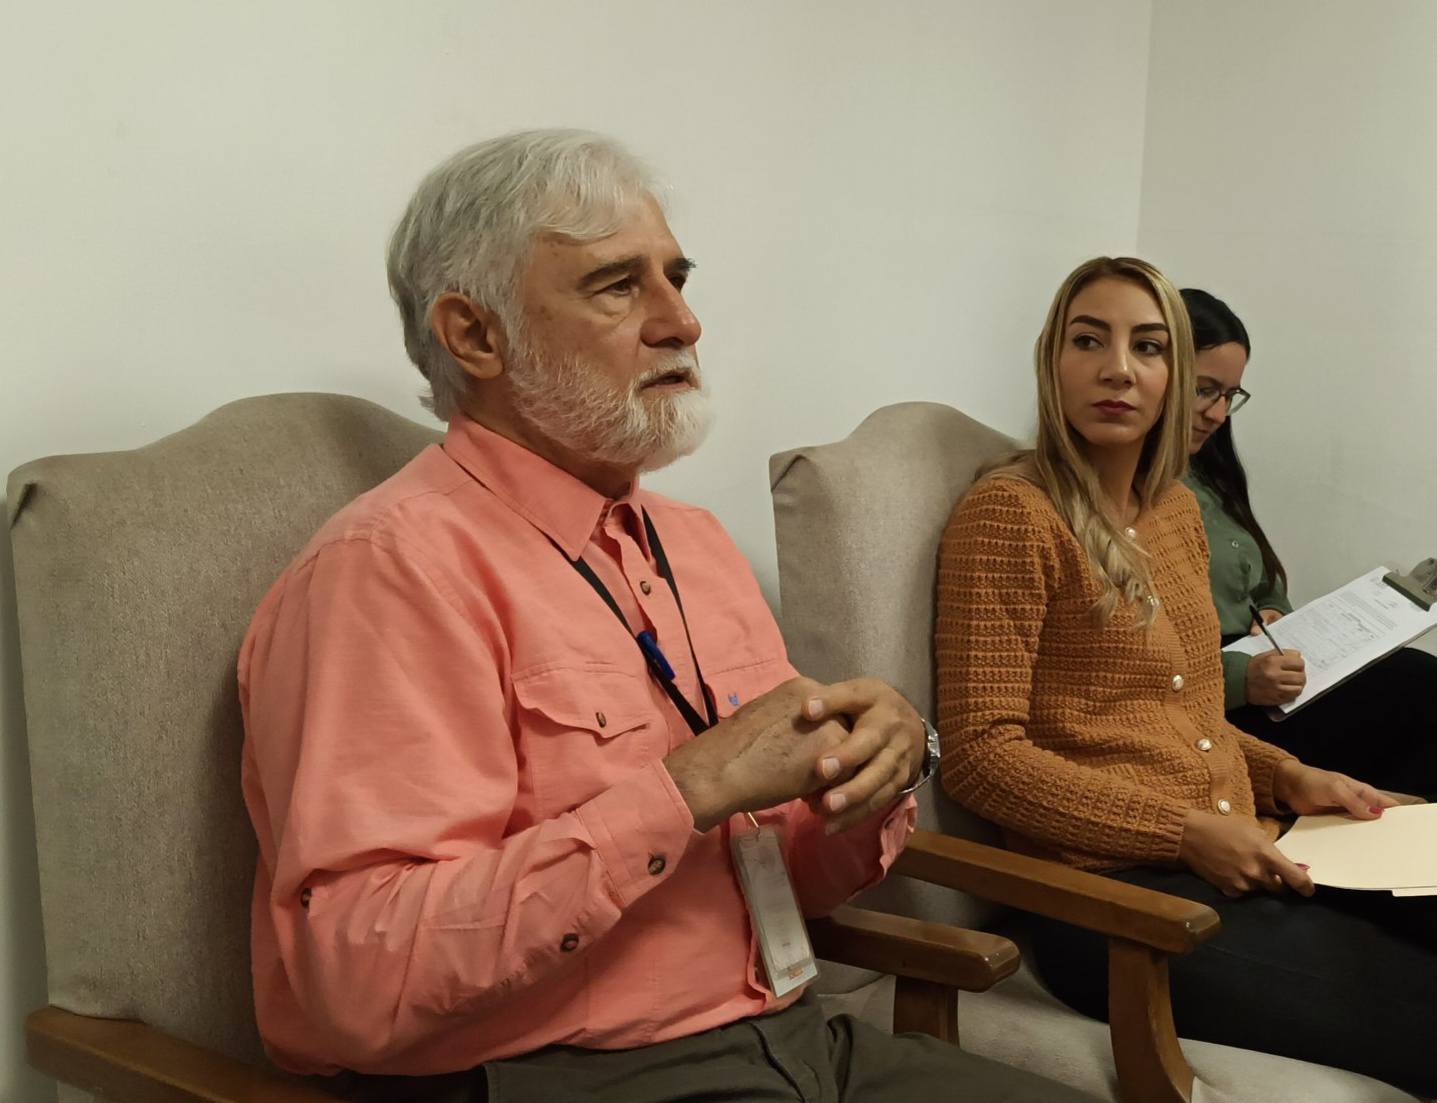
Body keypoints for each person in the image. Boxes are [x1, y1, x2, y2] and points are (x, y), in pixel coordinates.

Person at [239, 129, 1095, 1103]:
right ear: (475, 335)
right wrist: (685, 787)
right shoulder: (390, 570)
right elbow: (357, 979)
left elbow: (801, 877)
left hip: (796, 1038)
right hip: (567, 1079)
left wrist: (872, 772)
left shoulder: (692, 542)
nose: (682, 320)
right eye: (617, 286)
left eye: (676, 279)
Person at [934, 256, 1437, 1095]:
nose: (1117, 368)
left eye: (1147, 346)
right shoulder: (1009, 513)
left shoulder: (1173, 509)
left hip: (1237, 848)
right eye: (1087, 340)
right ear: (1050, 361)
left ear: (1172, 374)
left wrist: (1291, 776)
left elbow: (1195, 715)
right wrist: (1182, 833)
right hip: (1111, 900)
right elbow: (980, 756)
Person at [1182, 287, 1437, 797]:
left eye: (1230, 396)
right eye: (1205, 390)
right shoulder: (1131, 499)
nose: (1218, 414)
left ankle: (1392, 831)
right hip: (1218, 695)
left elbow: (1262, 580)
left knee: (1420, 679)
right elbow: (1132, 663)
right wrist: (1241, 676)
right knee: (1421, 698)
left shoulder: (1207, 475)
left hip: (1266, 667)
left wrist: (1275, 610)